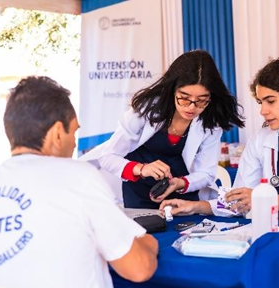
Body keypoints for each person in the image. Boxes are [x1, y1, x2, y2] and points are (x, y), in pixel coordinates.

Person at [0, 76, 158, 288]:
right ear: (58, 133)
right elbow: (140, 268)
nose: (73, 143)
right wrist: (148, 242)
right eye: (74, 132)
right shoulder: (79, 176)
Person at [160, 58, 279, 226]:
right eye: (260, 102)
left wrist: (266, 199)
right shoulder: (260, 140)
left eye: (271, 101)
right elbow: (239, 199)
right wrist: (195, 207)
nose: (263, 111)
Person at [99, 49, 245, 209]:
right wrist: (141, 169)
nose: (191, 107)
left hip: (183, 196)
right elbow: (107, 157)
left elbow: (206, 173)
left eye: (202, 100)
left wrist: (180, 183)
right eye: (184, 98)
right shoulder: (146, 111)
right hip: (139, 194)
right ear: (173, 89)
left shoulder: (209, 123)